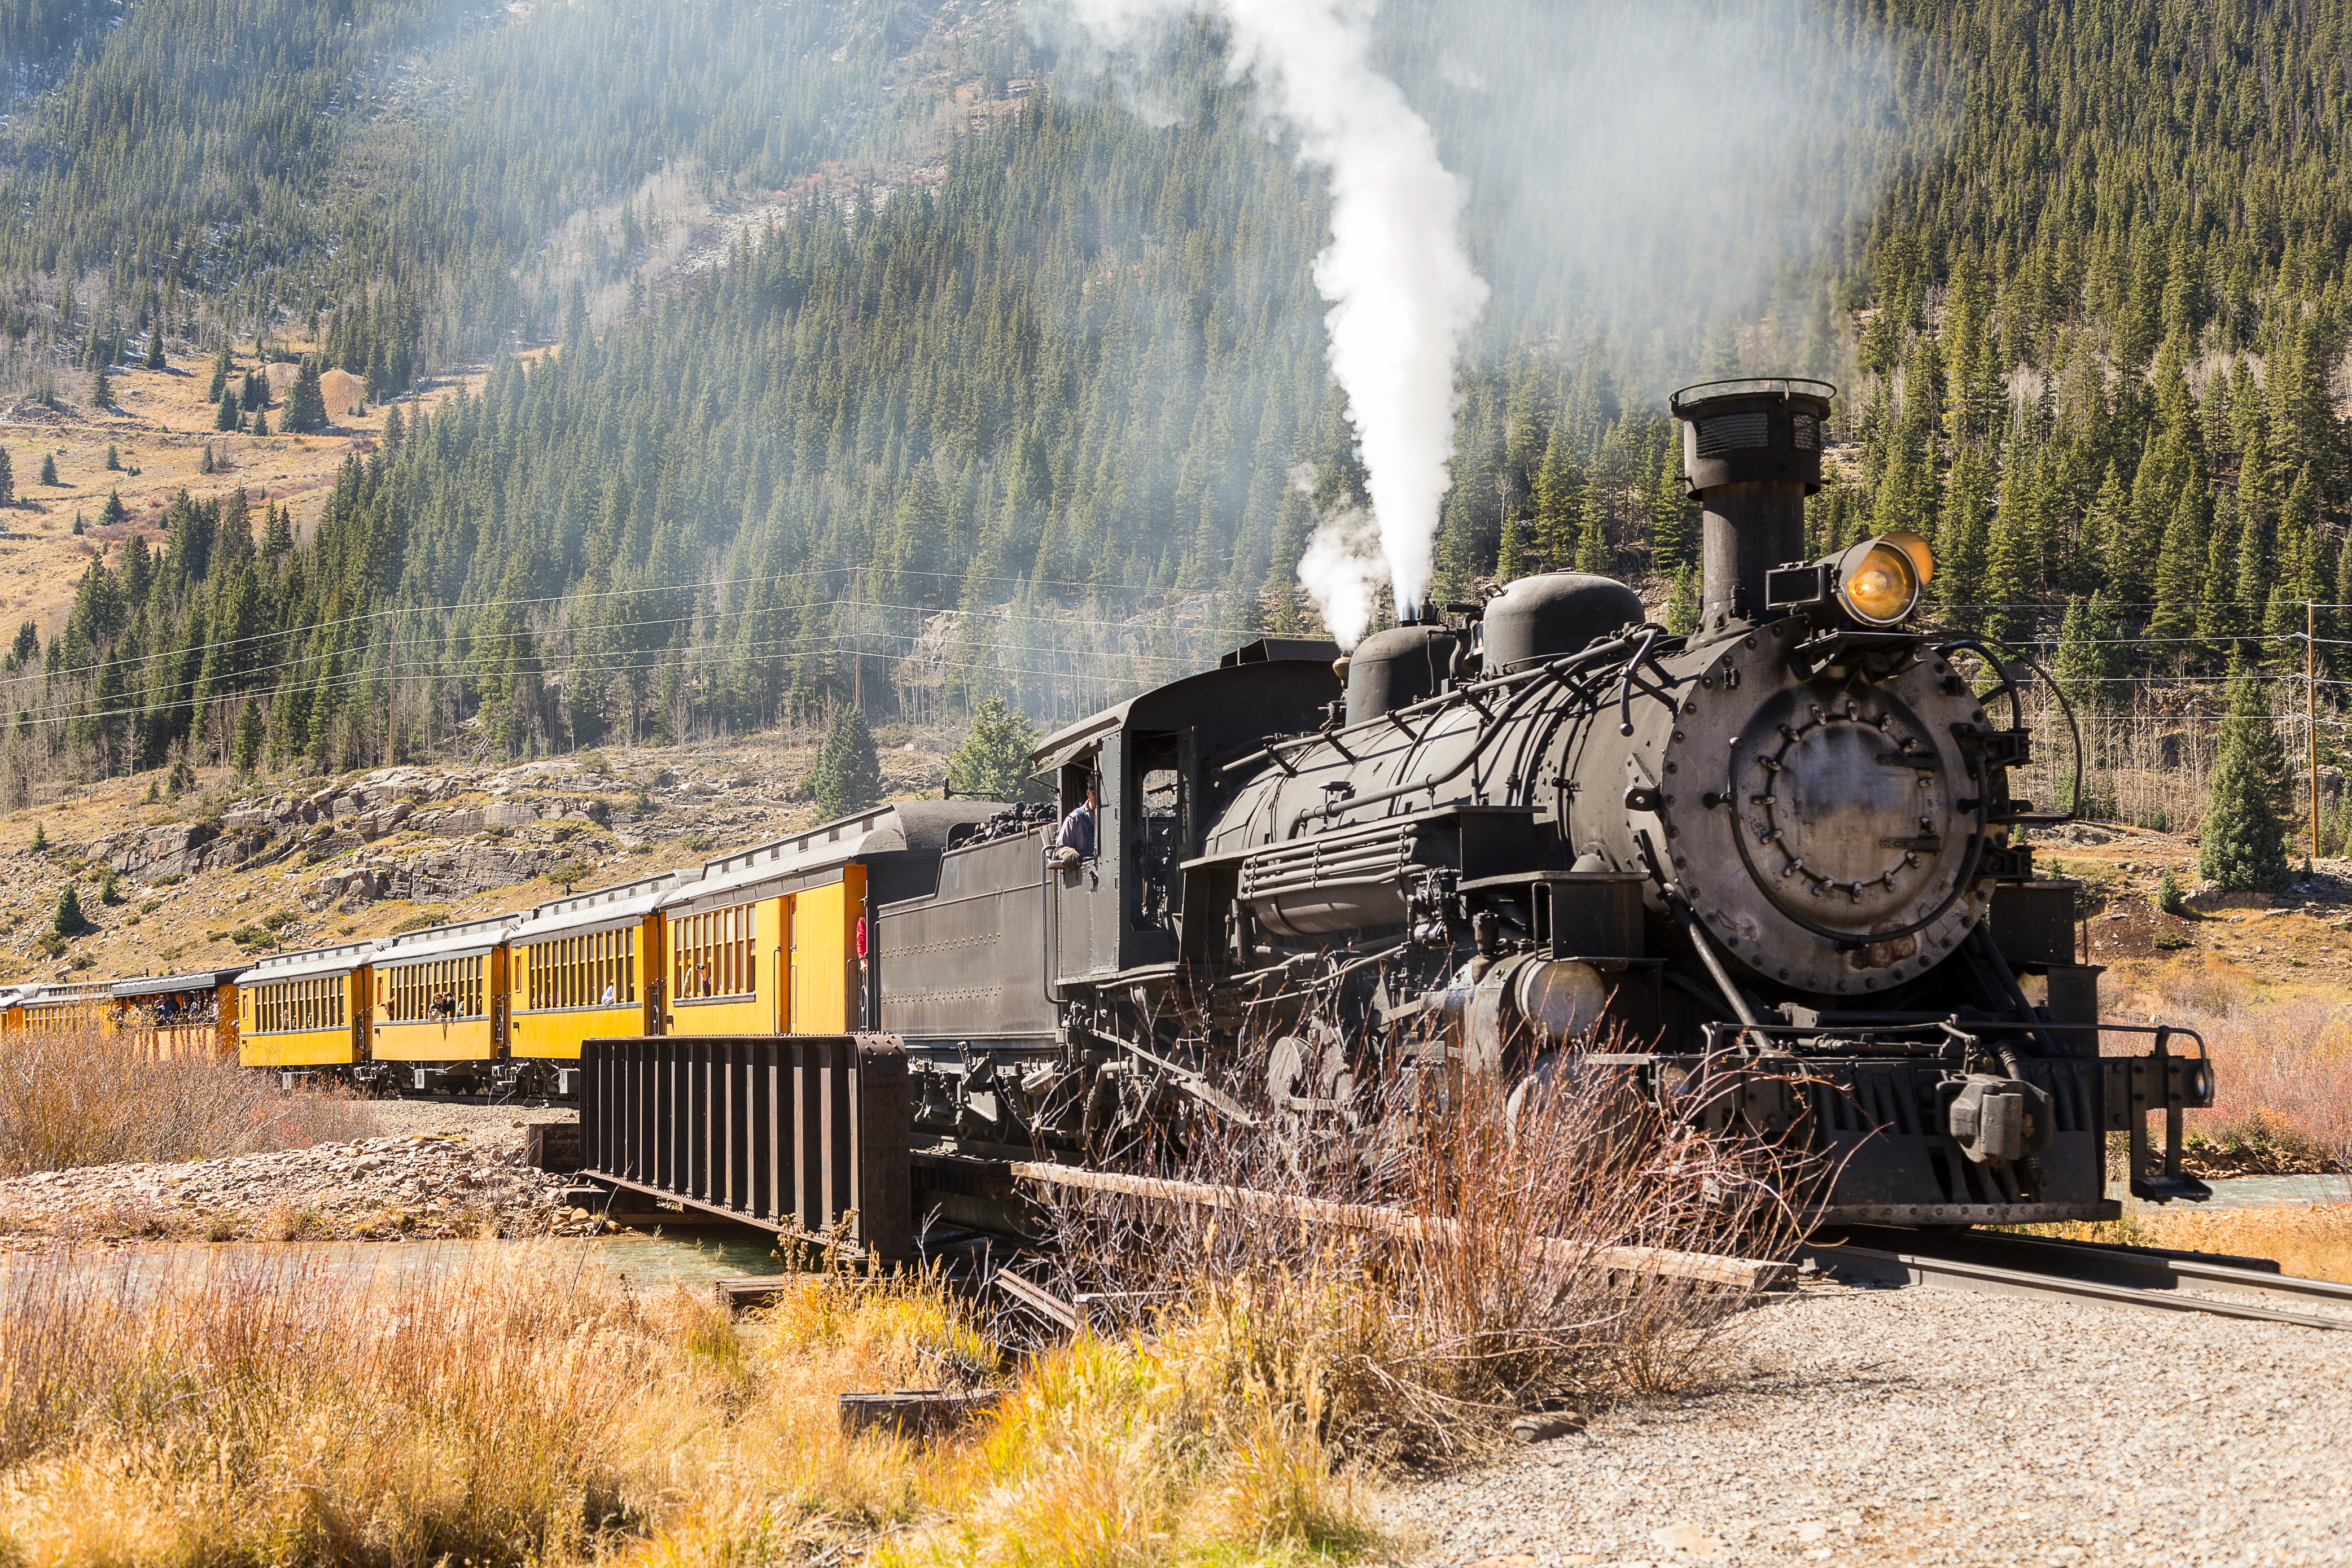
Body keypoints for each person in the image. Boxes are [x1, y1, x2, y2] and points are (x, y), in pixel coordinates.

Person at [1053, 786, 1096, 867]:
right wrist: (1068, 853)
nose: (1098, 798)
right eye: (1094, 794)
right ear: (1088, 793)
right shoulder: (1074, 819)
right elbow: (1059, 850)